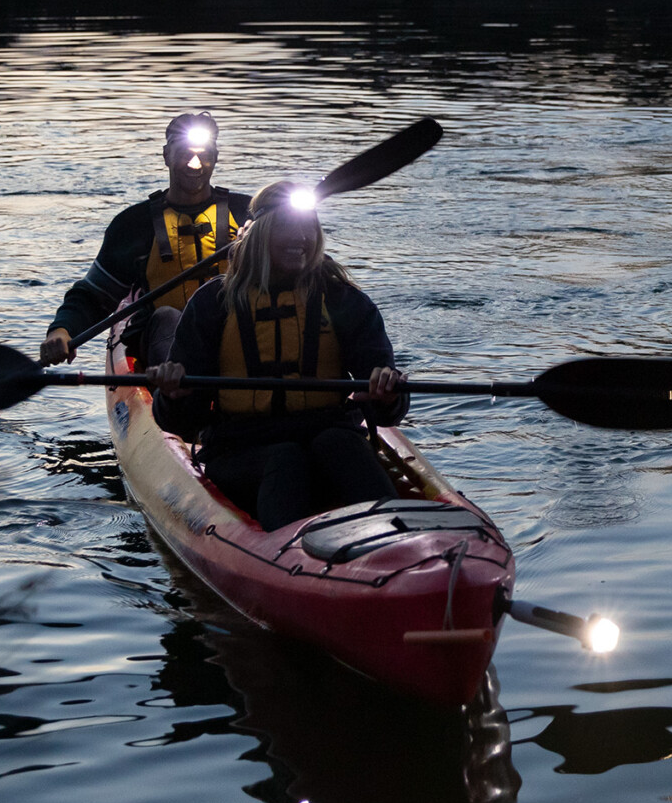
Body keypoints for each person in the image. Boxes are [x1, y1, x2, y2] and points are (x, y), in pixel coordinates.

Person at [144, 180, 408, 532]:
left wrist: (388, 394)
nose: (300, 237)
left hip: (327, 437)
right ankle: (290, 552)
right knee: (286, 458)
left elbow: (386, 406)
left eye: (307, 227)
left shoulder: (341, 299)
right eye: (287, 227)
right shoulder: (213, 304)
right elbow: (179, 423)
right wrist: (175, 395)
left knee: (341, 443)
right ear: (259, 233)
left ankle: (397, 537)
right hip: (241, 451)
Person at [41, 112, 251, 365]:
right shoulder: (134, 225)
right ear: (166, 156)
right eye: (185, 153)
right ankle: (176, 394)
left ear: (216, 158)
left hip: (238, 339)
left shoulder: (248, 213)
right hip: (165, 349)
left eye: (204, 154)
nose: (195, 163)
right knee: (166, 316)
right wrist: (62, 330)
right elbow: (94, 295)